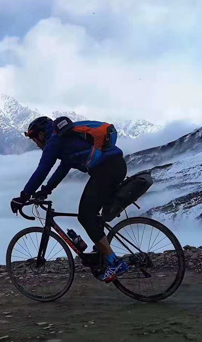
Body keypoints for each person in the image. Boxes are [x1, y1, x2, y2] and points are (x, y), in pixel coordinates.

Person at [10, 116, 129, 282]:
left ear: (41, 135)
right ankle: (102, 253)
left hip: (106, 171)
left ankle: (114, 262)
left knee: (85, 216)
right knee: (93, 215)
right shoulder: (65, 139)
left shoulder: (54, 141)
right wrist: (46, 190)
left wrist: (24, 196)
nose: (36, 144)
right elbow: (63, 168)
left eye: (34, 139)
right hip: (115, 166)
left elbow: (43, 169)